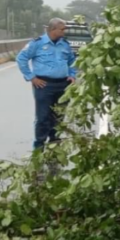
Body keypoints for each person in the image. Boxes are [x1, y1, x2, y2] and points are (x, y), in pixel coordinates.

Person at [17, 18, 76, 150]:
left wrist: (72, 74)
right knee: (43, 117)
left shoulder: (65, 44)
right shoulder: (37, 43)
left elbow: (73, 60)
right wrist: (31, 77)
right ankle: (39, 145)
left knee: (59, 115)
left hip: (62, 84)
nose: (64, 31)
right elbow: (21, 58)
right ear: (52, 29)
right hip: (43, 85)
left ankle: (54, 140)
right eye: (62, 29)